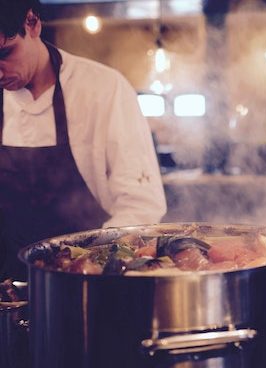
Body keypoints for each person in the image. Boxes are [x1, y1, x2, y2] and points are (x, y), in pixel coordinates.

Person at [0, 0, 167, 280]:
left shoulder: (103, 89)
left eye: (5, 52)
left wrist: (92, 265)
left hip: (85, 285)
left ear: (32, 23)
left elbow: (141, 205)